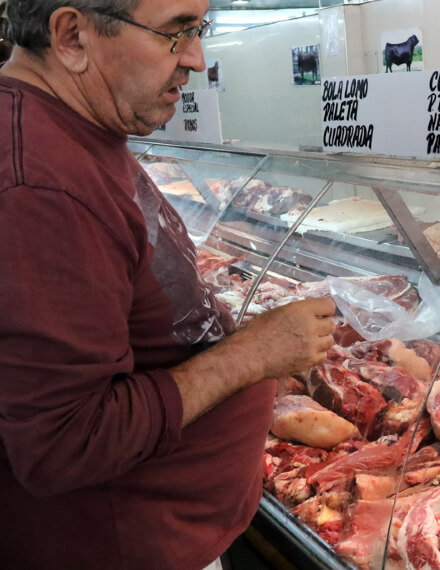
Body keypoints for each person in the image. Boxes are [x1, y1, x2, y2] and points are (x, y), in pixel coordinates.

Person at [0, 1, 337, 568]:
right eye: (175, 33)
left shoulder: (71, 127)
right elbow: (64, 444)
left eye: (198, 29)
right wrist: (252, 355)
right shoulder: (39, 185)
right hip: (119, 544)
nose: (198, 60)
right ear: (72, 36)